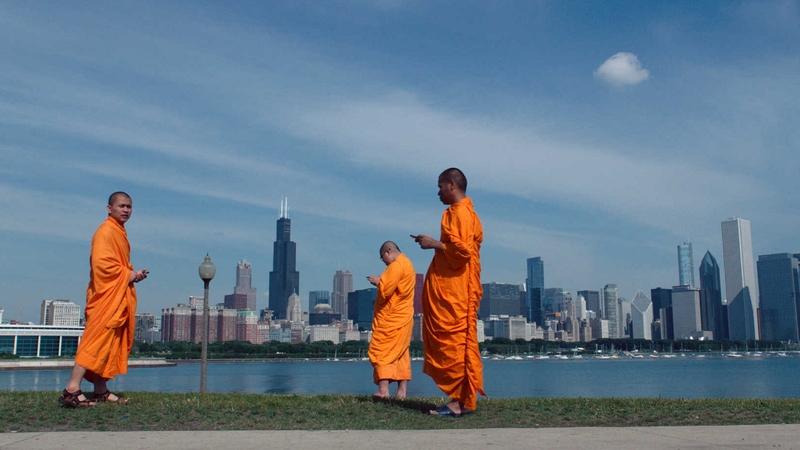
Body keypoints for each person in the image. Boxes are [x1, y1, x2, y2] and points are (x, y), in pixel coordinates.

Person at [59, 191, 148, 408]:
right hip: (104, 296)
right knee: (94, 342)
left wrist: (133, 276)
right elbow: (101, 265)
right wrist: (127, 274)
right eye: (121, 206)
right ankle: (71, 390)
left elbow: (114, 263)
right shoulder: (105, 231)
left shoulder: (119, 232)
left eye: (129, 207)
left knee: (107, 344)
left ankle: (100, 390)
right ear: (110, 208)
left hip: (115, 295)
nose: (126, 210)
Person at [413, 167, 485, 417]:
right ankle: (460, 399)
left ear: (452, 185)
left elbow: (463, 252)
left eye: (440, 186)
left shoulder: (461, 213)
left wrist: (434, 243)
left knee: (455, 343)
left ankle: (460, 402)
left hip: (457, 290)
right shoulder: (460, 212)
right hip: (454, 286)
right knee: (453, 343)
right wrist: (436, 243)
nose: (438, 192)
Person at [366, 241, 416, 398]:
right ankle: (402, 392)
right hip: (405, 316)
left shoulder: (396, 266)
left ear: (388, 252)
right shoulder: (408, 265)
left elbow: (386, 290)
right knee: (401, 354)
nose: (384, 262)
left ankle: (383, 390)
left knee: (381, 350)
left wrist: (377, 281)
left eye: (382, 258)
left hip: (391, 317)